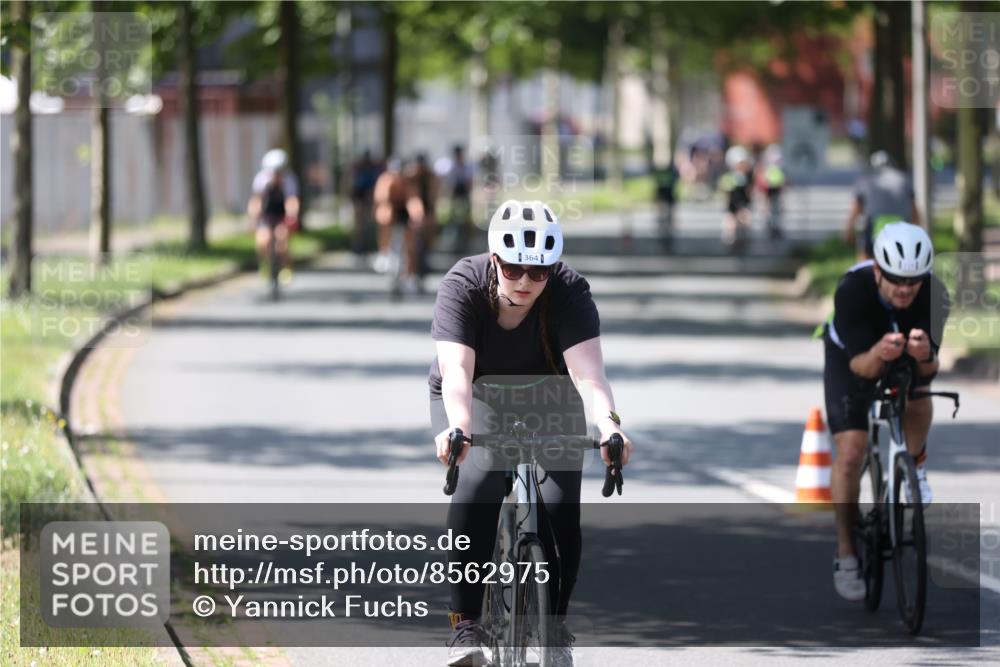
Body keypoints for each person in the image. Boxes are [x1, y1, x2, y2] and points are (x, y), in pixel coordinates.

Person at [429, 200, 634, 666]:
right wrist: (458, 426)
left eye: (538, 272)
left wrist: (609, 425)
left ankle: (555, 627)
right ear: (494, 259)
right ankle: (465, 627)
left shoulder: (568, 291)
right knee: (479, 488)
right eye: (514, 268)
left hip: (550, 398)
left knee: (561, 509)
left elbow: (590, 378)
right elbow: (457, 372)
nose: (524, 282)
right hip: (475, 397)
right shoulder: (462, 285)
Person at [822, 223, 949, 601]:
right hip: (852, 358)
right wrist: (880, 352)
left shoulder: (935, 296)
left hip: (903, 355)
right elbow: (861, 367)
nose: (905, 289)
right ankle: (846, 554)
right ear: (877, 270)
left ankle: (914, 466)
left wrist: (924, 354)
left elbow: (930, 371)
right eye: (896, 280)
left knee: (919, 393)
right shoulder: (852, 290)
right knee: (850, 452)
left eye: (914, 281)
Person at [844, 151, 921, 259]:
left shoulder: (865, 180)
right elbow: (914, 209)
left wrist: (849, 231)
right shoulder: (904, 179)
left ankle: (863, 272)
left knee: (865, 257)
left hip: (874, 226)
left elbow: (856, 208)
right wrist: (918, 231)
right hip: (901, 225)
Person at [248, 148, 300, 284]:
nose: (276, 175)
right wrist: (254, 218)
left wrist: (292, 216)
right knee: (262, 241)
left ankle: (285, 267)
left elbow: (291, 200)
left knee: (282, 240)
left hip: (281, 214)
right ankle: (265, 266)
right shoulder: (261, 180)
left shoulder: (289, 180)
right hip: (267, 214)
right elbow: (256, 201)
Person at [373, 158, 424, 292]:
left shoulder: (408, 182)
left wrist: (417, 216)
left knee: (410, 244)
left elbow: (414, 201)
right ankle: (383, 253)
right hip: (390, 210)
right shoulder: (385, 180)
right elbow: (382, 200)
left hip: (404, 211)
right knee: (385, 222)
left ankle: (411, 274)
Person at [406, 152, 441, 283]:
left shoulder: (430, 176)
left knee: (428, 239)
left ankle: (424, 262)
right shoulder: (410, 177)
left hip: (427, 209)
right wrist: (416, 214)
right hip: (413, 209)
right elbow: (412, 198)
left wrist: (429, 216)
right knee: (412, 244)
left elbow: (433, 197)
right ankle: (412, 271)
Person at [719, 145, 754, 252]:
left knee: (745, 222)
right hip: (733, 206)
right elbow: (727, 193)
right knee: (730, 225)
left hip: (743, 205)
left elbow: (748, 193)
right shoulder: (729, 177)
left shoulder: (747, 177)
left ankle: (743, 244)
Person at [442, 144, 475, 252]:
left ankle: (466, 242)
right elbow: (449, 184)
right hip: (455, 196)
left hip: (464, 195)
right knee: (453, 220)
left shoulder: (467, 167)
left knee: (466, 220)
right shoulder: (451, 167)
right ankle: (453, 242)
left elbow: (469, 183)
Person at [350, 150, 382, 261]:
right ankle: (359, 246)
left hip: (371, 195)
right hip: (360, 196)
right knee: (359, 223)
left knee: (375, 221)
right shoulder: (358, 169)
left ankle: (374, 246)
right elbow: (353, 186)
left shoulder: (374, 168)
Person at [756, 144, 786, 240]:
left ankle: (775, 228)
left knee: (776, 211)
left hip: (776, 192)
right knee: (769, 210)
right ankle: (770, 226)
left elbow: (782, 182)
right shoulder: (766, 169)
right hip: (768, 192)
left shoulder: (778, 169)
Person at [653, 158, 681, 251]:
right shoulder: (668, 172)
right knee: (664, 215)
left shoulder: (669, 172)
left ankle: (667, 230)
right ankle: (664, 230)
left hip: (668, 197)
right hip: (664, 197)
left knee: (668, 215)